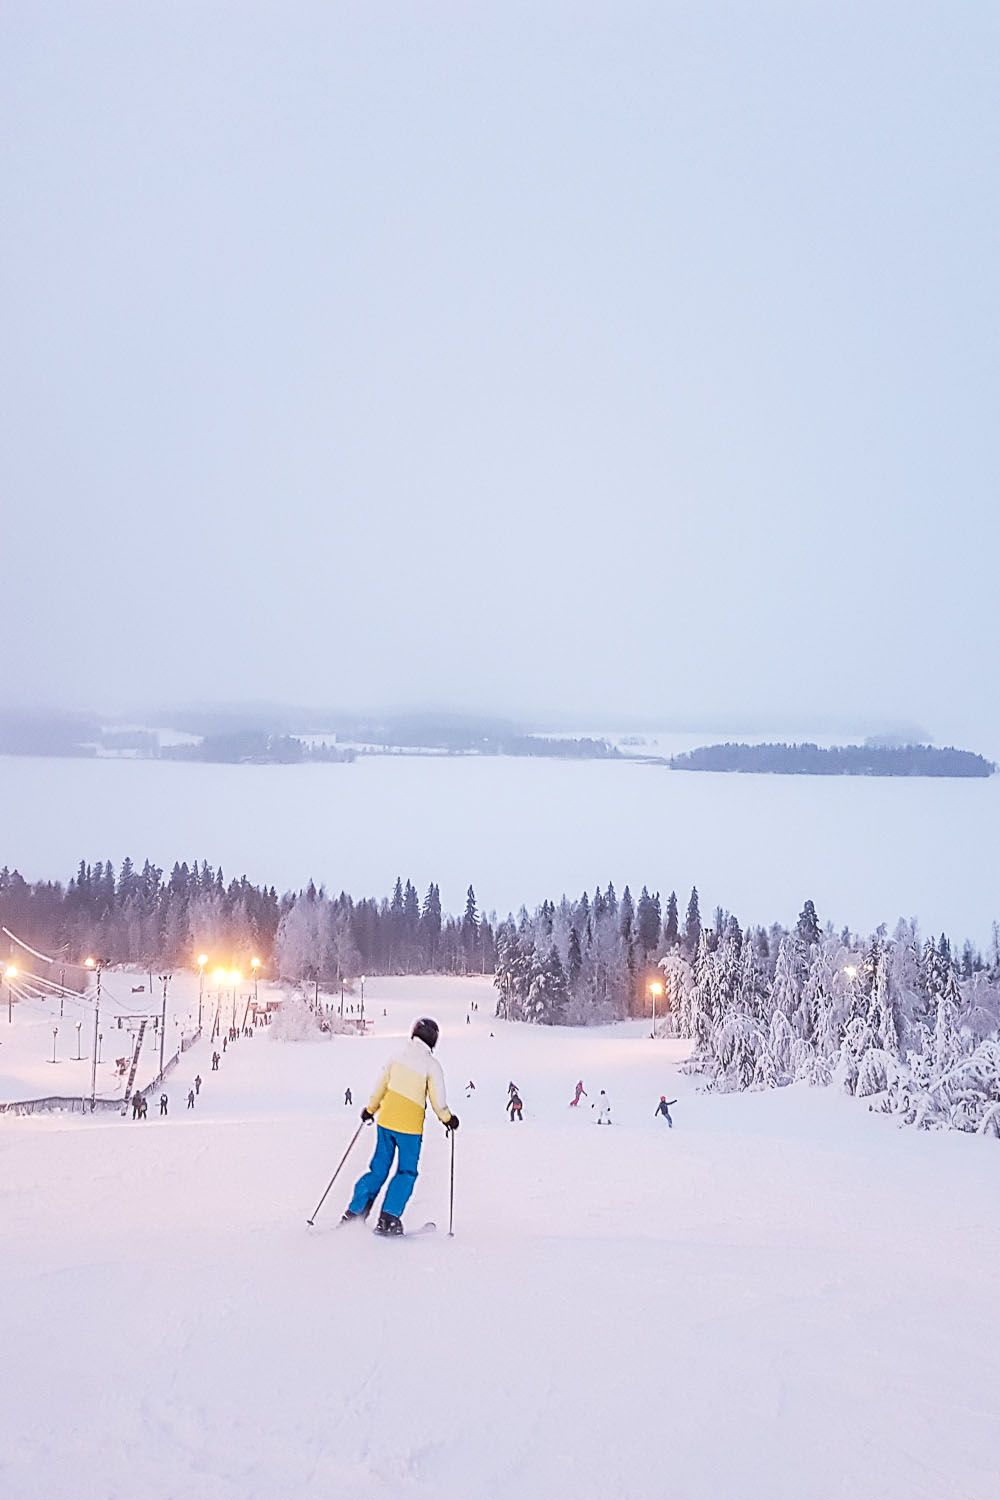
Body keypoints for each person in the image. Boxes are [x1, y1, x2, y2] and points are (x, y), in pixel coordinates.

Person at [342, 1017, 459, 1236]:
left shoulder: (396, 1057)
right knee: (406, 1171)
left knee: (378, 1169)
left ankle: (355, 1211)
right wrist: (448, 1118)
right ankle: (388, 1217)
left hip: (386, 1123)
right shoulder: (431, 1065)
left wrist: (370, 1109)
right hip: (410, 1129)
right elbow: (437, 1099)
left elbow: (381, 1086)